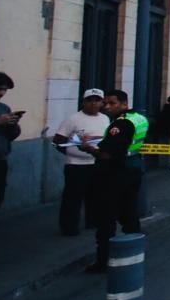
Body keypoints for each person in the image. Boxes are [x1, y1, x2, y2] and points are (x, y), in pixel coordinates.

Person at [81, 90, 143, 274]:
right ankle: (134, 254)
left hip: (114, 175)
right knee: (129, 215)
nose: (106, 106)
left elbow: (107, 153)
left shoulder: (120, 124)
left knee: (106, 218)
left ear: (124, 104)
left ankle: (103, 261)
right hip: (132, 170)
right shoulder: (138, 118)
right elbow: (127, 141)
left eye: (111, 103)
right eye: (105, 103)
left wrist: (90, 149)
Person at [52, 88, 110, 235]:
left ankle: (93, 222)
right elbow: (58, 140)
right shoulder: (73, 119)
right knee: (72, 198)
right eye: (90, 100)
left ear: (102, 103)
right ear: (84, 102)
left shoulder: (105, 119)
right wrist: (72, 151)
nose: (93, 103)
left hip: (97, 163)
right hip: (76, 165)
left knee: (96, 196)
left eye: (97, 100)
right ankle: (69, 227)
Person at [0, 71, 23, 257]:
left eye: (4, 90)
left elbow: (11, 136)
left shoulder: (3, 108)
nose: (1, 93)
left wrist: (12, 125)